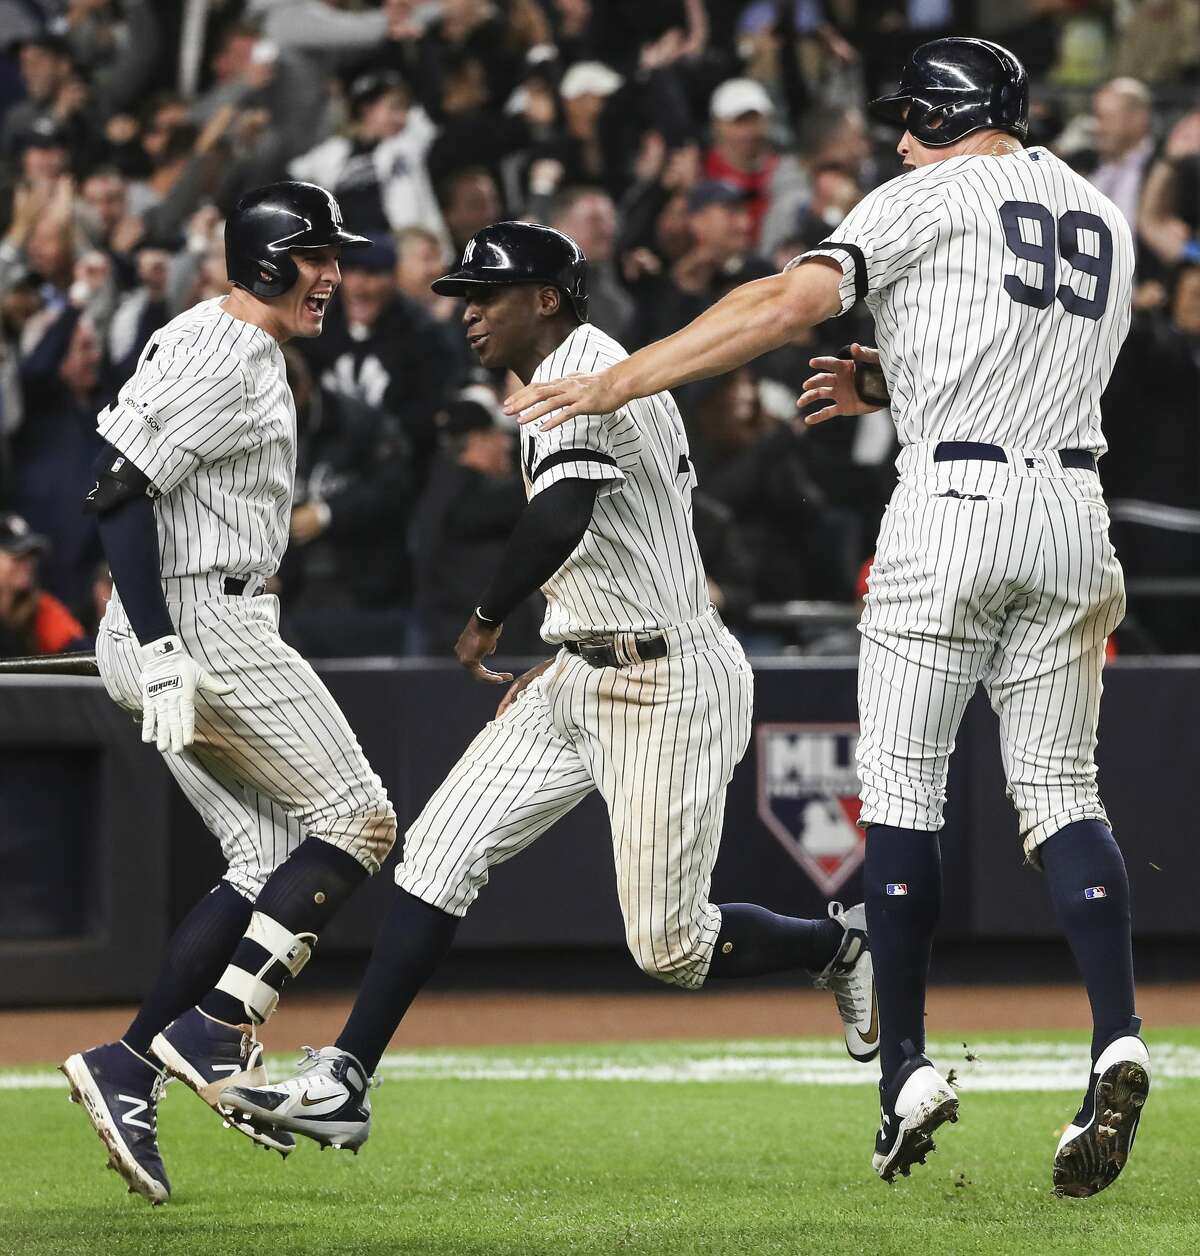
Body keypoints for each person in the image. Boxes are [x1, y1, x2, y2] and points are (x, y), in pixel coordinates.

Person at [503, 39, 1149, 1198]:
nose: (899, 136)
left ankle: (903, 1067)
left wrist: (617, 380)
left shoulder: (921, 192)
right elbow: (1026, 350)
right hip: (1075, 509)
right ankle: (1116, 1033)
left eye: (913, 115)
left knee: (901, 796)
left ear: (950, 115)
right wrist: (894, 380)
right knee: (1063, 794)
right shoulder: (1100, 209)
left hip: (952, 503)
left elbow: (781, 302)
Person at [220, 220, 877, 1151]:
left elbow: (563, 514)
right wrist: (558, 652)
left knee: (672, 949)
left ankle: (839, 947)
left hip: (667, 679)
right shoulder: (562, 374)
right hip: (581, 670)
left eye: (488, 294)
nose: (470, 312)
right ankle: (344, 1077)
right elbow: (590, 531)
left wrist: (488, 615)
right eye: (463, 297)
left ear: (549, 298)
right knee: (437, 853)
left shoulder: (589, 365)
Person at [58, 183, 397, 1206]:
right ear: (265, 258)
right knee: (358, 816)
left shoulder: (216, 336)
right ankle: (209, 1029)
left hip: (194, 614)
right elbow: (115, 484)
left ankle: (127, 1065)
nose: (336, 274)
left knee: (262, 857)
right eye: (319, 255)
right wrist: (159, 641)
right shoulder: (227, 348)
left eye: (338, 255)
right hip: (202, 622)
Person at [0, 514, 89, 659]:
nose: (27, 565)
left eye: (30, 557)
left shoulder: (40, 608)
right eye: (17, 556)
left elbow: (81, 655)